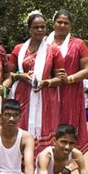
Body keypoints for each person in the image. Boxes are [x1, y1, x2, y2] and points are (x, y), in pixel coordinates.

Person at [8, 10, 64, 155]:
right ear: (29, 29)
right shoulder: (19, 49)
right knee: (20, 127)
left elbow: (60, 78)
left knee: (43, 130)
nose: (40, 30)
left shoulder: (53, 51)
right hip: (21, 97)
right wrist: (20, 76)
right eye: (36, 27)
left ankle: (41, 166)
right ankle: (19, 165)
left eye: (43, 27)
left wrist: (46, 82)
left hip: (44, 99)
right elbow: (8, 73)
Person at [47, 9, 88, 154]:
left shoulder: (78, 44)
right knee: (47, 126)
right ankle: (46, 162)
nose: (62, 25)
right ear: (53, 24)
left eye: (66, 23)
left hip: (70, 94)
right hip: (48, 91)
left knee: (67, 127)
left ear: (70, 26)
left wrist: (70, 79)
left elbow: (87, 70)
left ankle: (64, 165)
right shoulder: (43, 43)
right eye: (59, 22)